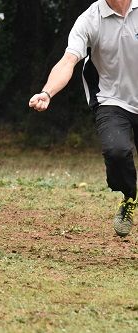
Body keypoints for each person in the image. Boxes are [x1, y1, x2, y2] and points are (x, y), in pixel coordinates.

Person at [29, 0, 138, 237]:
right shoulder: (90, 19)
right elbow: (69, 60)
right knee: (116, 151)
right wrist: (47, 92)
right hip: (111, 100)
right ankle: (129, 196)